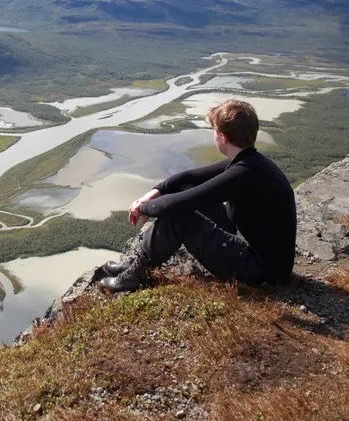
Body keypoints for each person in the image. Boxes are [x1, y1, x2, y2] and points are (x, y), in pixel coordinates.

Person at [100, 99, 297, 293]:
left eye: (214, 130)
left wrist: (140, 208)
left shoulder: (242, 174)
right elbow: (190, 177)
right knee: (182, 191)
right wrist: (153, 193)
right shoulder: (249, 161)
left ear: (223, 137)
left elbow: (170, 207)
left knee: (179, 215)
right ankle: (139, 262)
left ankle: (136, 275)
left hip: (260, 269)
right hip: (260, 252)